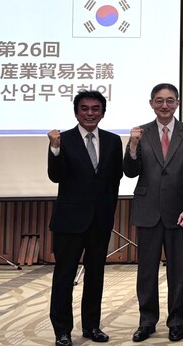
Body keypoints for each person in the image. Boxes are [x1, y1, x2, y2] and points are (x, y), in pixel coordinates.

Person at [123, 83, 183, 343]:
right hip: (147, 210)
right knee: (146, 271)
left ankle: (176, 322)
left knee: (177, 271)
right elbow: (130, 172)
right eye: (159, 101)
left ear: (177, 103)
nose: (165, 105)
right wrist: (132, 146)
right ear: (151, 104)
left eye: (170, 100)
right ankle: (146, 322)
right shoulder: (140, 132)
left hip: (178, 212)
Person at [47, 90, 123, 346]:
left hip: (100, 221)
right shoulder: (62, 140)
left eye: (95, 109)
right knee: (64, 276)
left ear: (103, 112)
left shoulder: (113, 141)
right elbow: (55, 176)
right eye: (84, 108)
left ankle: (92, 325)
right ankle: (62, 330)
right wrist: (54, 149)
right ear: (76, 112)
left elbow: (114, 180)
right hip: (69, 221)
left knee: (96, 276)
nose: (90, 113)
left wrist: (108, 211)